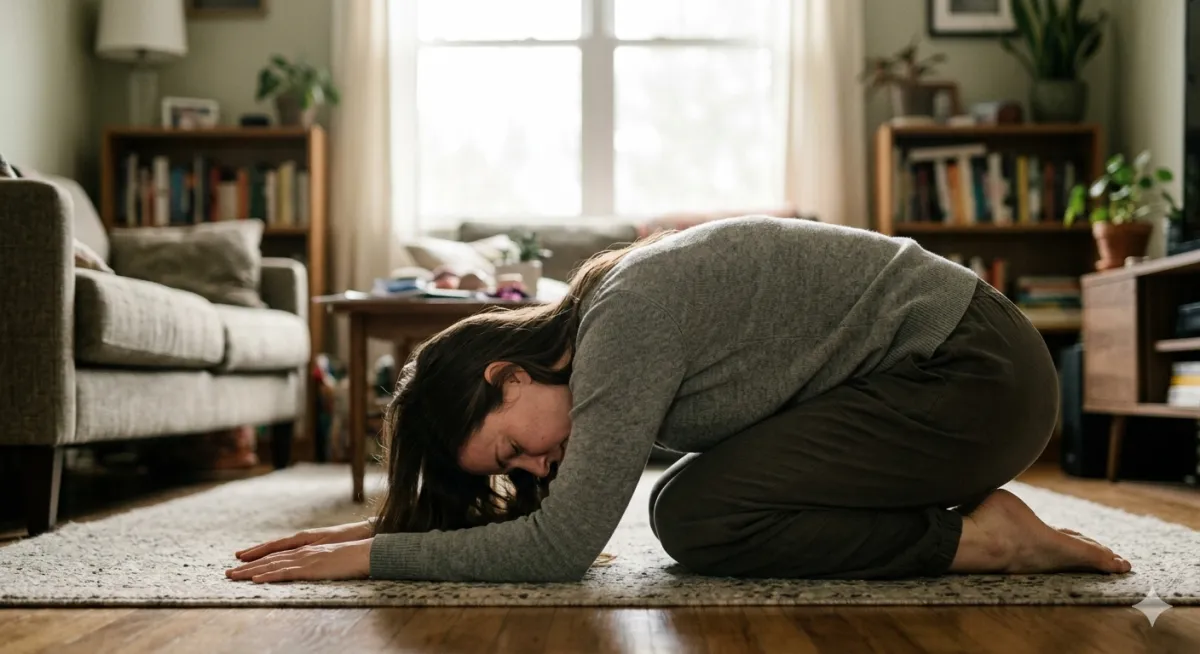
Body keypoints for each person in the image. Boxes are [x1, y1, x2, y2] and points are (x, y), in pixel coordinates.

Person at [226, 215, 1132, 584]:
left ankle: (979, 539)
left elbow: (561, 548)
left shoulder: (622, 330)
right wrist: (382, 528)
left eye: (512, 451)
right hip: (955, 376)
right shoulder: (598, 329)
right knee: (687, 501)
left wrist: (372, 562)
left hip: (975, 379)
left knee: (699, 515)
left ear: (509, 375)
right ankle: (967, 517)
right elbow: (559, 516)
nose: (538, 467)